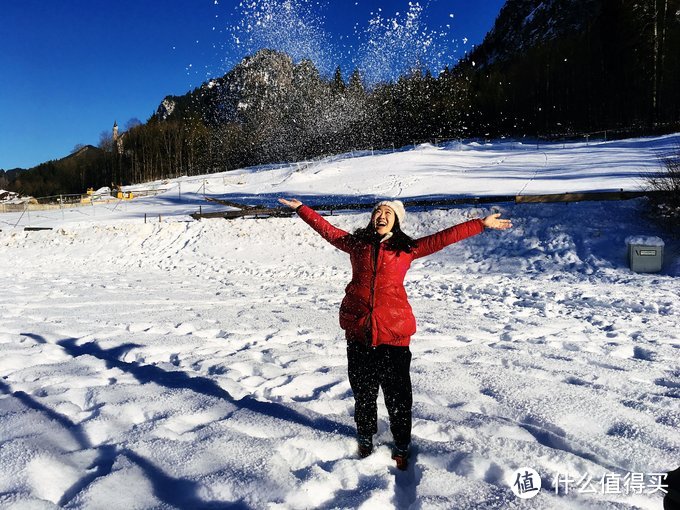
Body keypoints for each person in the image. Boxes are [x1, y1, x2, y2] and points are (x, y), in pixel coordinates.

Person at [278, 197, 512, 470]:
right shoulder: (357, 245)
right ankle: (365, 439)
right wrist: (302, 209)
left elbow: (442, 238)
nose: (381, 214)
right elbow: (328, 230)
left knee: (398, 397)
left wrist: (479, 225)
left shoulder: (406, 248)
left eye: (388, 212)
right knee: (363, 394)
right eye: (378, 210)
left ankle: (402, 443)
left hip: (393, 335)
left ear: (396, 220)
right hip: (360, 332)